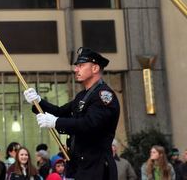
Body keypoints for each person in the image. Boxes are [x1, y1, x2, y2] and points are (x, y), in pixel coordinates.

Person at [24, 47, 120, 180]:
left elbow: (90, 123)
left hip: (96, 167)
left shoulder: (103, 95)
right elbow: (60, 112)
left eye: (81, 66)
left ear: (95, 68)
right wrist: (37, 101)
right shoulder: (83, 95)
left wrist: (55, 122)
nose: (76, 69)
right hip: (79, 165)